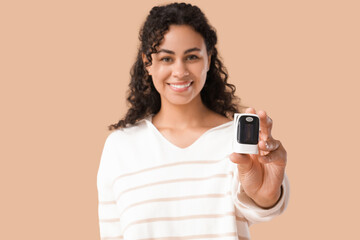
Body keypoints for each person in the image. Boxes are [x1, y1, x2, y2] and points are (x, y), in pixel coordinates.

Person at [97, 2, 289, 239]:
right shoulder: (120, 147)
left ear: (208, 58)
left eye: (192, 57)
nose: (180, 71)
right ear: (148, 62)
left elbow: (264, 202)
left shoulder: (238, 143)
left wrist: (267, 196)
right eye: (167, 59)